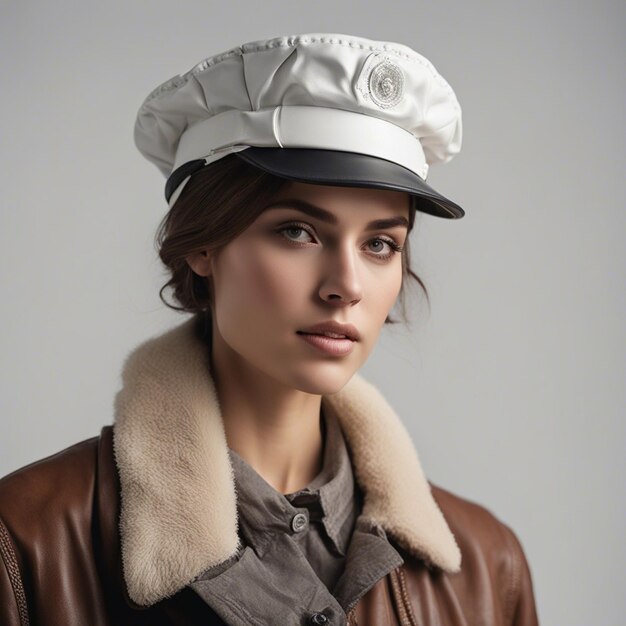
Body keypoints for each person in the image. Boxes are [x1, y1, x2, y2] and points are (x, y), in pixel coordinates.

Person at [0, 33, 539, 625]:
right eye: (298, 232)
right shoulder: (28, 540)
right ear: (204, 244)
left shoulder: (490, 566)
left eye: (380, 244)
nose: (347, 285)